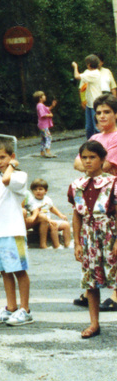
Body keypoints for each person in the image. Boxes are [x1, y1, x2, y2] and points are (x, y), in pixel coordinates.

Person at [68, 140, 117, 338]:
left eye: (93, 157)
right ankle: (94, 323)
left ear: (103, 159)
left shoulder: (112, 183)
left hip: (110, 234)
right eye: (84, 158)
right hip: (89, 237)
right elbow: (76, 215)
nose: (88, 161)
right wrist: (77, 243)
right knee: (91, 281)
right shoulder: (77, 186)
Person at [0, 140, 33, 326]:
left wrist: (12, 165)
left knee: (19, 270)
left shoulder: (19, 176)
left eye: (3, 157)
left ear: (12, 157)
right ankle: (11, 306)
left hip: (13, 232)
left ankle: (25, 309)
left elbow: (7, 180)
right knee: (4, 270)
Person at [74, 94, 117, 174]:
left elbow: (105, 166)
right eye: (98, 113)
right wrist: (93, 169)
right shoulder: (94, 138)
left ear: (115, 114)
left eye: (106, 112)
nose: (102, 116)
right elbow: (77, 163)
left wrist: (88, 168)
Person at [25, 178, 72, 249]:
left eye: (40, 189)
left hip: (48, 220)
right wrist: (49, 220)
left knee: (66, 225)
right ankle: (57, 245)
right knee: (54, 225)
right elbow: (35, 213)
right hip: (39, 223)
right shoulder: (32, 201)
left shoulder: (47, 199)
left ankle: (67, 244)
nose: (38, 191)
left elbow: (52, 208)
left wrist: (60, 215)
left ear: (45, 191)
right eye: (35, 190)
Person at [73, 56, 110, 137]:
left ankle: (101, 142)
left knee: (96, 127)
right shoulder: (89, 72)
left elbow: (77, 76)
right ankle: (90, 143)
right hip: (89, 104)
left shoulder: (94, 73)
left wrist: (75, 66)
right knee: (89, 128)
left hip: (95, 104)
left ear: (89, 64)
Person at [32, 91, 57, 158]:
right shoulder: (40, 105)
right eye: (43, 96)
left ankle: (42, 152)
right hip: (43, 125)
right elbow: (42, 114)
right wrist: (50, 115)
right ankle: (48, 151)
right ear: (40, 98)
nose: (45, 97)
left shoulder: (41, 105)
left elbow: (47, 109)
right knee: (48, 137)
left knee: (44, 139)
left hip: (42, 125)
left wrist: (52, 106)